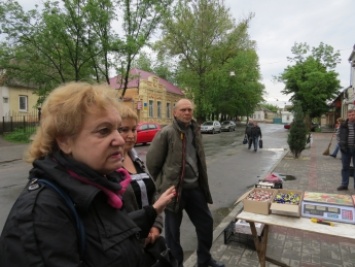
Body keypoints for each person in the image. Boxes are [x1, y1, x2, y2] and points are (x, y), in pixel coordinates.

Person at [0, 82, 175, 266]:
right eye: (104, 130)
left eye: (117, 128)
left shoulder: (101, 186)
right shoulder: (43, 214)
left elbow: (110, 239)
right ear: (65, 141)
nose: (119, 139)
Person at [146, 99, 225, 267]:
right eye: (183, 110)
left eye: (189, 109)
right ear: (175, 112)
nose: (187, 112)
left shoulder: (195, 130)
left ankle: (204, 259)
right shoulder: (167, 133)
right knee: (173, 233)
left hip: (195, 188)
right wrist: (163, 185)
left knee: (206, 223)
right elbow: (152, 163)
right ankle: (177, 264)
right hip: (174, 192)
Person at [119, 106, 175, 266]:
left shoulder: (136, 160)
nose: (131, 135)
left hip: (150, 241)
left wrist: (156, 227)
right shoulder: (108, 167)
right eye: (124, 129)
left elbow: (153, 196)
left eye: (133, 129)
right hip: (129, 245)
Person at [337, 109, 355, 190]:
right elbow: (338, 135)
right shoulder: (343, 125)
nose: (351, 117)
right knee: (345, 167)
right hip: (346, 149)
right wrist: (340, 145)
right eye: (350, 115)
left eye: (353, 115)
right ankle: (344, 184)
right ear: (348, 116)